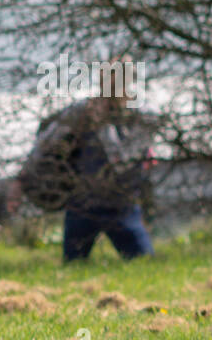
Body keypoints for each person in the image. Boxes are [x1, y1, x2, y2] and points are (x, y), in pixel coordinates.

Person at [10, 88, 156, 262]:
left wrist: (102, 124)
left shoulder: (140, 117)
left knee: (144, 261)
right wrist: (20, 181)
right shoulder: (78, 112)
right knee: (74, 264)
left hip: (122, 205)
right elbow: (44, 147)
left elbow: (123, 162)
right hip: (82, 204)